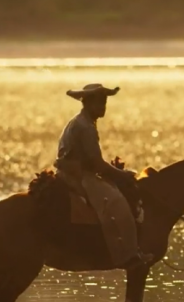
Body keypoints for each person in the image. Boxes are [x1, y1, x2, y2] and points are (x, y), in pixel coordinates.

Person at [54, 83, 153, 269]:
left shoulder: (80, 122)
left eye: (104, 103)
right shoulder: (85, 127)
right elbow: (97, 164)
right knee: (118, 203)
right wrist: (122, 175)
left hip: (73, 172)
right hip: (80, 176)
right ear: (87, 103)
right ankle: (128, 255)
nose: (103, 107)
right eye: (99, 103)